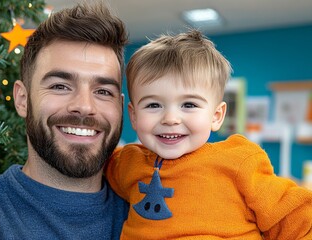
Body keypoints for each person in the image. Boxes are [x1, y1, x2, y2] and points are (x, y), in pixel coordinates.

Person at [105, 29, 312, 239]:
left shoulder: (239, 162)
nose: (170, 118)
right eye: (153, 105)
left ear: (216, 116)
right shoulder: (126, 163)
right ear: (133, 115)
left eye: (189, 104)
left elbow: (299, 219)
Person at [0, 1, 129, 239]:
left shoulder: (156, 219)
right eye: (60, 86)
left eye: (103, 91)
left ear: (120, 105)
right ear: (22, 99)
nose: (85, 107)